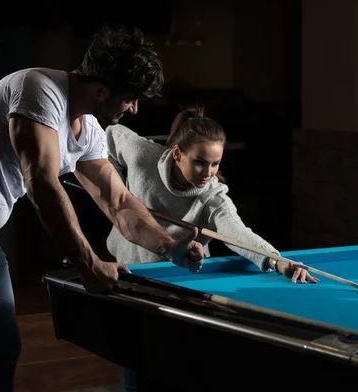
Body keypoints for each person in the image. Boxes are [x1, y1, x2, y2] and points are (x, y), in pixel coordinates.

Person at [0, 25, 205, 392]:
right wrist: (89, 264)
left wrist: (170, 246)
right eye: (130, 99)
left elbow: (118, 201)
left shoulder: (88, 129)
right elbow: (41, 181)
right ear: (101, 90)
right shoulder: (37, 91)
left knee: (0, 348)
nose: (134, 109)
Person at [104, 106, 319, 391]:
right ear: (178, 153)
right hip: (132, 275)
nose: (209, 173)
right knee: (136, 368)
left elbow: (237, 233)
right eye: (201, 163)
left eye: (215, 164)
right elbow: (110, 134)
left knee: (182, 370)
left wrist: (277, 261)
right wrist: (116, 191)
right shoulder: (143, 156)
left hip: (184, 283)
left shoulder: (213, 196)